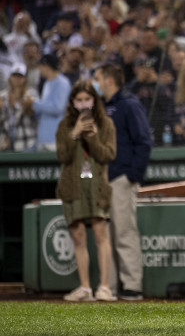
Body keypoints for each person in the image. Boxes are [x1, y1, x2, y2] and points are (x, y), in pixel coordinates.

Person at [94, 63, 152, 301]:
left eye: (98, 77)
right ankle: (111, 285)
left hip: (120, 178)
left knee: (124, 232)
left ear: (109, 79)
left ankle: (131, 285)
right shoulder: (102, 108)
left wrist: (132, 175)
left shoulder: (128, 104)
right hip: (103, 178)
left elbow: (144, 140)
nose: (96, 82)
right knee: (105, 234)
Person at [55, 80, 116, 301]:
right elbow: (62, 156)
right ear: (72, 102)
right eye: (78, 100)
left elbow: (108, 155)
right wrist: (75, 133)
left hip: (97, 186)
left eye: (87, 99)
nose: (83, 104)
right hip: (73, 186)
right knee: (78, 237)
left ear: (94, 100)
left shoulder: (106, 123)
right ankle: (85, 288)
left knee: (101, 234)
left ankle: (105, 287)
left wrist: (92, 136)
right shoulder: (64, 125)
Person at [31, 53, 71, 151]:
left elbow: (58, 108)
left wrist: (34, 103)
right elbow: (44, 109)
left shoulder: (62, 82)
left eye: (41, 66)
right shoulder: (47, 83)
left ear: (47, 66)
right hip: (43, 138)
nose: (39, 69)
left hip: (56, 138)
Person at [0, 63, 38, 152]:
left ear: (25, 79)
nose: (17, 79)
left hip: (27, 139)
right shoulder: (2, 96)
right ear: (10, 78)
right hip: (6, 140)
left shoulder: (32, 94)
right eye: (14, 76)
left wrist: (17, 105)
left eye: (20, 76)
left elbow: (35, 116)